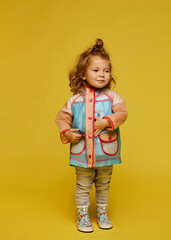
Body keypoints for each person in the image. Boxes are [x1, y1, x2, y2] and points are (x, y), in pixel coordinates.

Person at [54, 38, 128, 233]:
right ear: (83, 74)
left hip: (106, 152)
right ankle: (83, 216)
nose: (102, 75)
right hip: (82, 153)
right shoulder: (75, 100)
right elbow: (62, 119)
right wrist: (67, 133)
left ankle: (102, 214)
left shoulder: (113, 97)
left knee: (104, 184)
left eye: (106, 70)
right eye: (96, 70)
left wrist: (107, 121)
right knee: (83, 185)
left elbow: (122, 113)